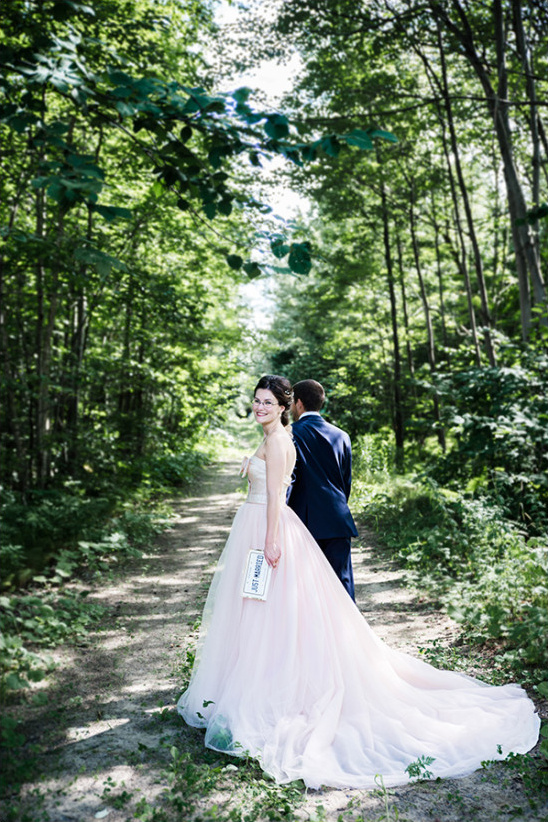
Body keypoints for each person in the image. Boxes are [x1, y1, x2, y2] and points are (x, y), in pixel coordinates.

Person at [177, 375, 539, 790]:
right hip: (272, 524)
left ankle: (273, 692)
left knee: (275, 612)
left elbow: (278, 495)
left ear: (286, 406)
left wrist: (271, 540)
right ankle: (248, 686)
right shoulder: (282, 435)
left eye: (267, 402)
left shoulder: (281, 440)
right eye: (255, 401)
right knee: (265, 612)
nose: (259, 407)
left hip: (268, 530)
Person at [287, 379, 358, 599]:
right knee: (342, 585)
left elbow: (289, 480)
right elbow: (345, 482)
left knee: (307, 589)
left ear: (298, 403)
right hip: (338, 519)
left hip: (304, 522)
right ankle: (349, 633)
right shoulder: (341, 435)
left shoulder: (290, 433)